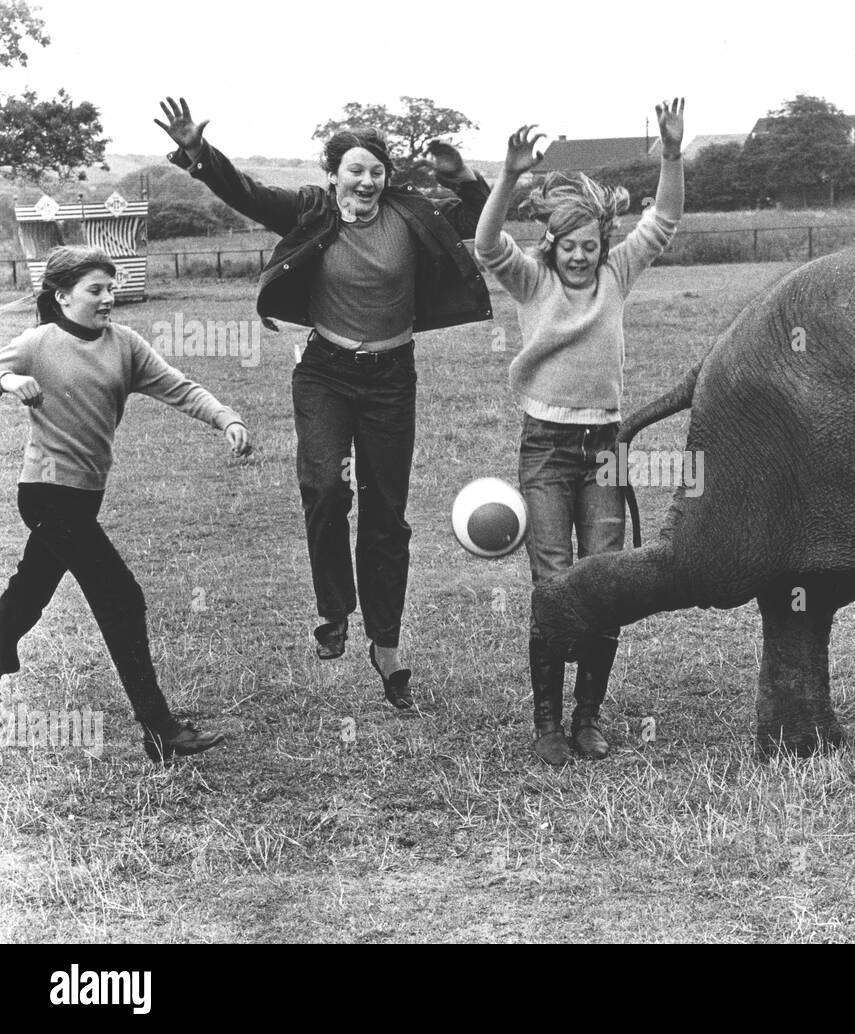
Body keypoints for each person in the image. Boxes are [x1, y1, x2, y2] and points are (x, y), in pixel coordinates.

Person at [154, 96, 493, 708]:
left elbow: (477, 216)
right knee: (327, 486)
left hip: (392, 377)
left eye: (377, 170)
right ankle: (334, 609)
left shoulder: (411, 213)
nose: (367, 181)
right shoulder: (310, 211)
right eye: (355, 170)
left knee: (387, 512)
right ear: (332, 173)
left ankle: (386, 644)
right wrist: (199, 154)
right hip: (326, 374)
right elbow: (248, 193)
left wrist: (465, 178)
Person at [474, 99, 685, 766]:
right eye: (571, 247)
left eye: (592, 246)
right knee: (555, 581)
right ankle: (545, 725)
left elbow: (666, 219)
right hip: (546, 449)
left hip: (605, 449)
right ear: (552, 247)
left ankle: (587, 718)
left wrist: (672, 157)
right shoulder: (532, 283)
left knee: (604, 580)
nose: (583, 257)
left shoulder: (616, 278)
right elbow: (485, 245)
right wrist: (508, 178)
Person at [0, 246, 251, 761]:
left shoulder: (124, 345)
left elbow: (177, 387)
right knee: (121, 598)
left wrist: (225, 417)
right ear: (63, 296)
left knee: (31, 590)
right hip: (47, 494)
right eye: (96, 290)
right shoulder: (37, 344)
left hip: (85, 497)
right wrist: (8, 380)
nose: (109, 298)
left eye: (111, 288)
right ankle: (160, 730)